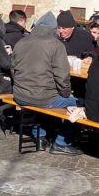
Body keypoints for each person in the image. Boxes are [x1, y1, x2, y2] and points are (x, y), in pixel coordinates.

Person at [12, 12, 81, 155]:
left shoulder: (21, 42)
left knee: (42, 101)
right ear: (54, 29)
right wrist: (66, 94)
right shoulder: (56, 45)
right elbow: (62, 76)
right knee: (80, 105)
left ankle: (40, 136)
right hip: (43, 97)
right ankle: (61, 143)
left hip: (20, 95)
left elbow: (13, 69)